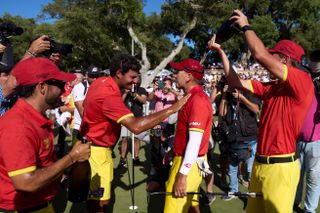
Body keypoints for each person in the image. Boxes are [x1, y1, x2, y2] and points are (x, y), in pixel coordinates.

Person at [208, 9, 314, 213]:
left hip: (281, 167)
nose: (268, 58)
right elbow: (234, 81)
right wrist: (220, 51)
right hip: (260, 164)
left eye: (274, 54)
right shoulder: (271, 87)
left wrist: (245, 26)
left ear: (283, 59)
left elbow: (259, 54)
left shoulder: (302, 81)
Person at [80, 53, 190, 213]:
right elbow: (136, 127)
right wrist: (172, 109)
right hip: (97, 153)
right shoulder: (108, 95)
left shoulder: (99, 82)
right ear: (119, 73)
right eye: (132, 77)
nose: (135, 81)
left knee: (97, 199)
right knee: (99, 204)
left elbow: (85, 105)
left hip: (93, 148)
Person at [0, 57, 91, 212]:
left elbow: (42, 164)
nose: (64, 89)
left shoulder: (36, 118)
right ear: (42, 87)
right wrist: (72, 157)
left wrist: (62, 180)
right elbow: (25, 183)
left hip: (41, 205)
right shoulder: (18, 125)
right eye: (60, 84)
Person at [163, 58, 213, 213]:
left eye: (178, 71)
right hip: (188, 160)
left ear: (188, 76)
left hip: (188, 164)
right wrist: (173, 151)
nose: (174, 75)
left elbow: (195, 142)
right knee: (192, 207)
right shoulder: (191, 97)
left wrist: (182, 175)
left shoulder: (197, 99)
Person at [218, 85, 259, 201]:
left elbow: (256, 109)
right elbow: (221, 113)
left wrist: (242, 98)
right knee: (232, 168)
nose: (233, 91)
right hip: (233, 138)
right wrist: (225, 96)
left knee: (250, 169)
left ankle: (252, 194)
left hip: (249, 138)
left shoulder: (249, 95)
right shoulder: (228, 99)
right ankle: (233, 190)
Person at [294, 50, 320, 213]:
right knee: (296, 176)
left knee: (313, 178)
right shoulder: (304, 76)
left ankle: (309, 209)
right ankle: (294, 202)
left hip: (316, 140)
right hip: (297, 138)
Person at [118, 75, 148, 168]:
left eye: (136, 80)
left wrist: (135, 94)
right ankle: (123, 158)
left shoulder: (141, 90)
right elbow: (120, 102)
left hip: (138, 117)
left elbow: (143, 100)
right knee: (125, 138)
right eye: (133, 80)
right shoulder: (124, 89)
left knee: (137, 138)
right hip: (126, 117)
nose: (134, 82)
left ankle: (136, 157)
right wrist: (125, 93)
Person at [71, 66, 99, 144]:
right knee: (78, 154)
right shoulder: (79, 87)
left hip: (94, 127)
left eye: (97, 76)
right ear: (86, 76)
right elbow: (81, 110)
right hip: (80, 127)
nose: (95, 79)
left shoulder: (99, 88)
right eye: (92, 76)